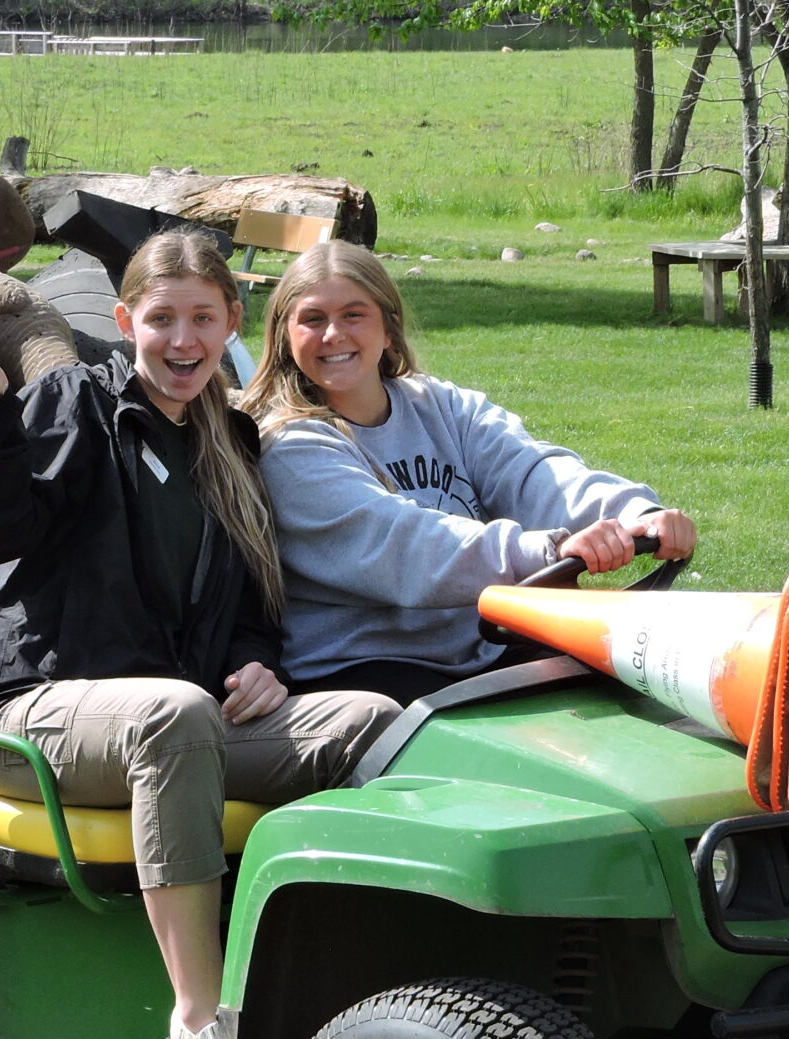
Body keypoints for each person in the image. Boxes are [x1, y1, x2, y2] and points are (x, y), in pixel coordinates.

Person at [0, 232, 398, 1039]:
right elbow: (1, 534)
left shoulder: (232, 443)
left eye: (202, 320)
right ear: (124, 321)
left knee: (371, 723)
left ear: (232, 324)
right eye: (162, 320)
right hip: (37, 716)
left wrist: (257, 662)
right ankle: (198, 1023)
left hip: (179, 726)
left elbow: (249, 603)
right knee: (172, 713)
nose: (183, 342)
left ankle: (354, 991)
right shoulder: (72, 402)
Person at [242, 241, 696, 706]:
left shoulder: (442, 406)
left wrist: (636, 513)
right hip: (365, 670)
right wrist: (548, 549)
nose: (333, 334)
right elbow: (405, 547)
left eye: (354, 315)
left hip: (476, 650)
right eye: (313, 319)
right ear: (285, 337)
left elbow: (531, 471)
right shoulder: (290, 445)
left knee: (632, 689)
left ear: (388, 329)